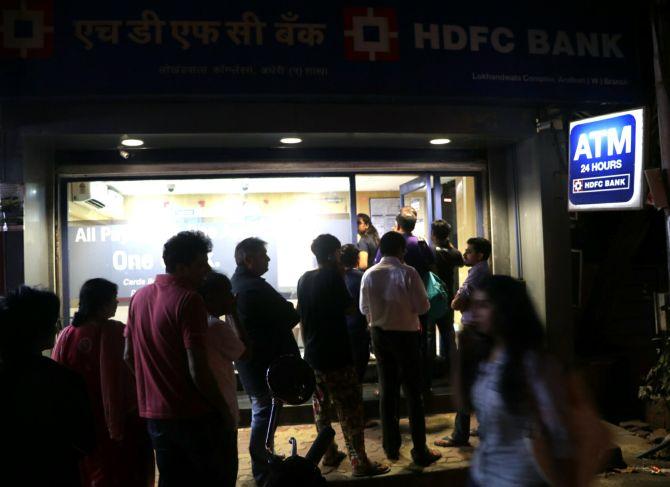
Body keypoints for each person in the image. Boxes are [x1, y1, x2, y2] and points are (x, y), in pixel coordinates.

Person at [124, 231, 235, 486]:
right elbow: (198, 370)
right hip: (193, 416)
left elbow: (128, 356)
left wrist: (154, 387)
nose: (206, 270)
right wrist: (223, 409)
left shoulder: (139, 297)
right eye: (200, 264)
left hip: (155, 416)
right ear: (181, 268)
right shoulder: (190, 300)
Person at [466, 275, 573, 487]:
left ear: (506, 310)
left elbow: (557, 433)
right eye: (474, 305)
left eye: (484, 305)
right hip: (482, 475)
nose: (474, 313)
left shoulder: (532, 364)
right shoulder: (487, 355)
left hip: (518, 479)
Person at [297, 234, 390, 477]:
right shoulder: (332, 276)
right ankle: (359, 462)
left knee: (321, 409)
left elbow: (302, 318)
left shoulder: (304, 278)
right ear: (333, 254)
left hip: (314, 356)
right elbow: (349, 308)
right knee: (350, 410)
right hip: (337, 355)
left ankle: (328, 453)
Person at [52, 278, 154, 487]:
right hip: (119, 421)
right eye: (112, 299)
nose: (116, 303)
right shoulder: (115, 332)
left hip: (80, 422)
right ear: (101, 304)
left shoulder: (66, 335)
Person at [360, 232, 442, 467]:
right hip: (406, 336)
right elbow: (423, 306)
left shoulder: (369, 274)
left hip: (379, 335)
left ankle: (391, 446)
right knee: (414, 393)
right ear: (400, 250)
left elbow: (363, 307)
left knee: (387, 390)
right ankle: (419, 448)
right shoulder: (408, 272)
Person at [0, 286, 95, 487]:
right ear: (38, 329)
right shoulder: (63, 380)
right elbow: (85, 441)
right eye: (53, 323)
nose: (55, 329)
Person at [231, 237, 301, 486]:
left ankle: (266, 456)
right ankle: (261, 469)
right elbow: (290, 315)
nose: (268, 260)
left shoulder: (239, 283)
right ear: (248, 260)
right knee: (263, 412)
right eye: (263, 255)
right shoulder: (253, 288)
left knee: (266, 410)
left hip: (254, 364)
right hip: (264, 365)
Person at [435, 236, 491, 448]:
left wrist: (458, 297)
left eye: (469, 251)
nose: (465, 254)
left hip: (473, 333)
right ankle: (484, 427)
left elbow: (456, 304)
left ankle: (460, 434)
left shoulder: (476, 274)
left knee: (464, 383)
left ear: (480, 255)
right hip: (480, 333)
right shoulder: (482, 271)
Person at [199, 271, 251, 487]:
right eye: (227, 293)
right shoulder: (216, 326)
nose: (231, 298)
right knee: (225, 471)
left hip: (201, 409)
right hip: (221, 408)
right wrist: (234, 314)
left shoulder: (197, 322)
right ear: (212, 297)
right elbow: (244, 352)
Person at [430, 219, 464, 370]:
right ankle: (452, 367)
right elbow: (461, 261)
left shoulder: (430, 251)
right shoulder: (453, 252)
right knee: (448, 332)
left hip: (431, 296)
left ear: (433, 234)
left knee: (429, 333)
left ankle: (431, 366)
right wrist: (449, 244)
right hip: (446, 296)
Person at [340, 243, 371, 383]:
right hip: (359, 327)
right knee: (359, 365)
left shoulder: (336, 277)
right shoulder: (362, 277)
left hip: (341, 327)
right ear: (357, 259)